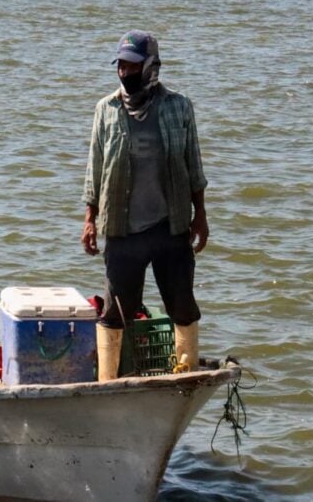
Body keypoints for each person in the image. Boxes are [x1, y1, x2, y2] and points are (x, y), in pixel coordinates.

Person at [81, 30, 209, 380]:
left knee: (182, 306)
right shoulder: (105, 109)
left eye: (132, 66)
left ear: (151, 68)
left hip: (171, 227)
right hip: (123, 229)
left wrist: (201, 217)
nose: (125, 72)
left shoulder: (178, 106)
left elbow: (193, 165)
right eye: (120, 65)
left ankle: (185, 378)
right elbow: (94, 170)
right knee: (115, 312)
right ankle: (109, 383)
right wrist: (90, 219)